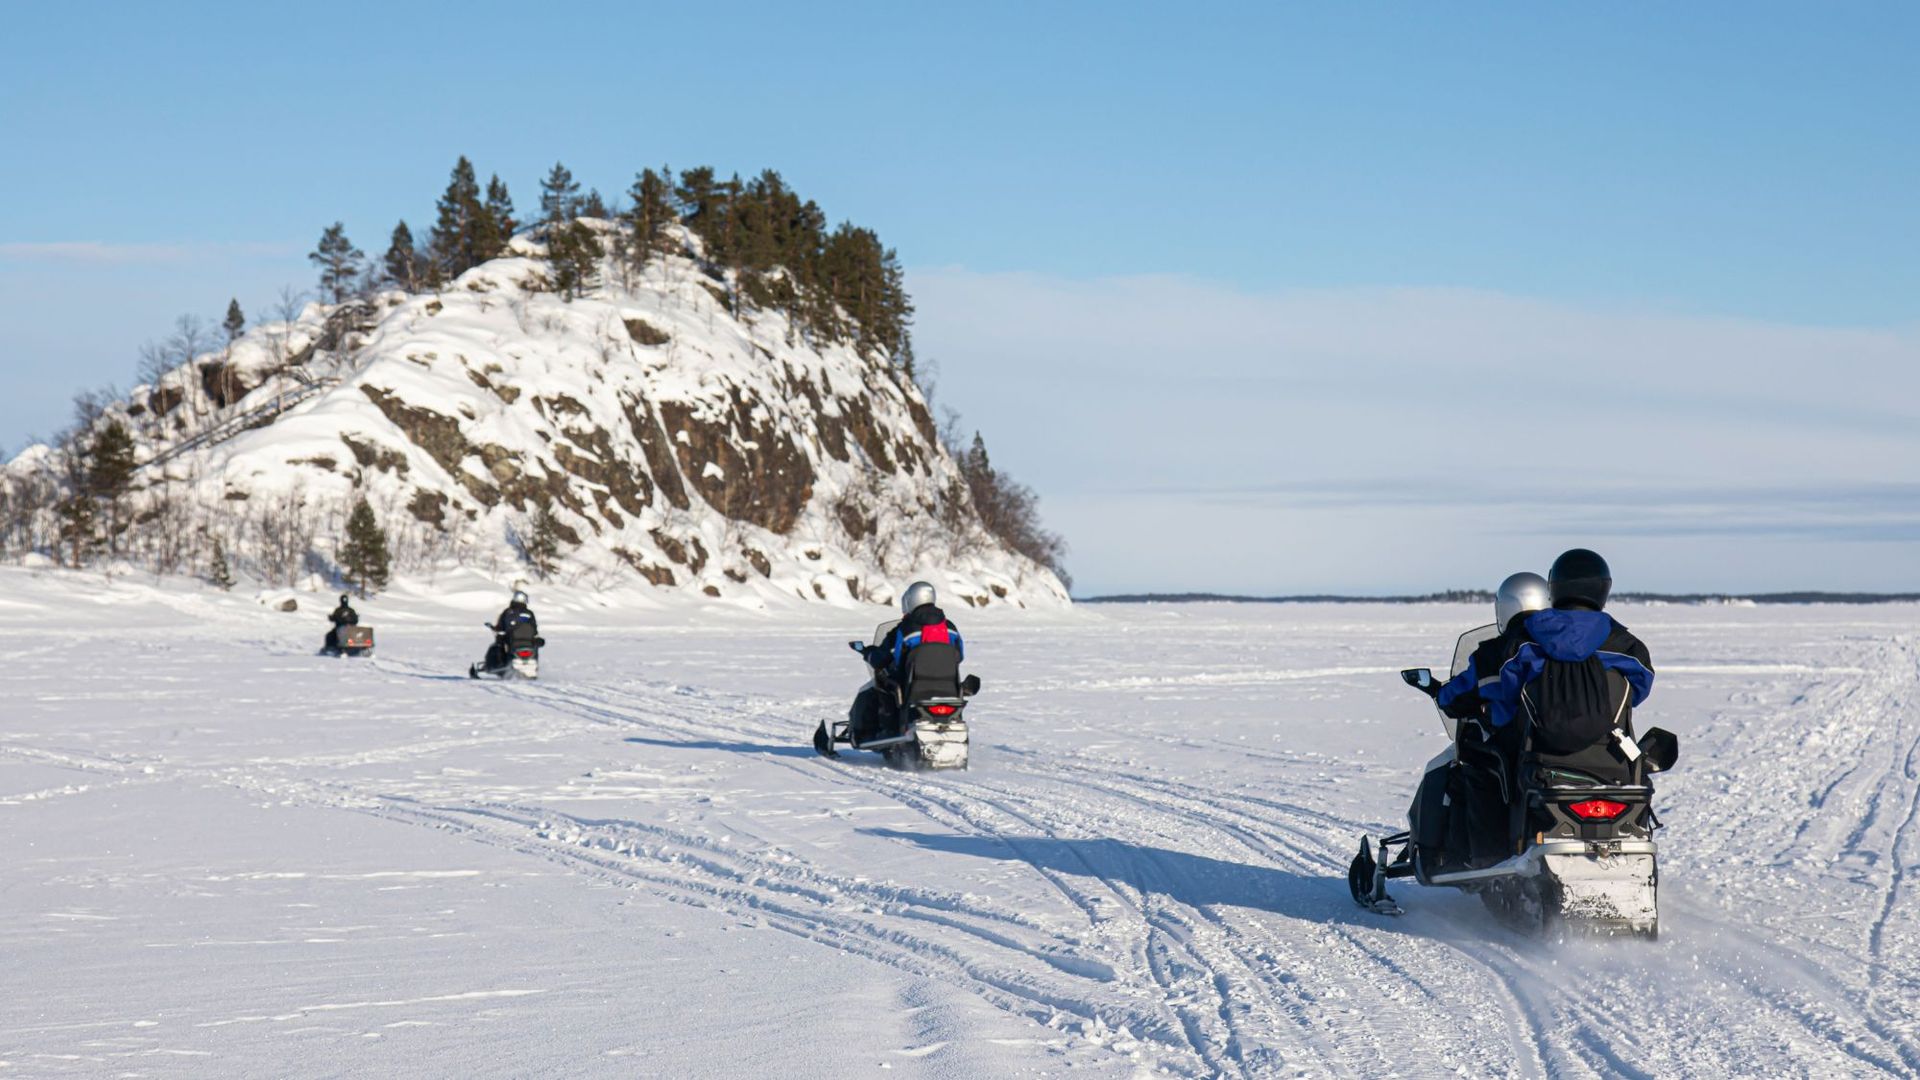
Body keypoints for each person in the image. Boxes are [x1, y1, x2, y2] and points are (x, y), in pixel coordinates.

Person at [851, 581, 964, 741]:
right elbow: (959, 655)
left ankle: (887, 731)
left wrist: (868, 653)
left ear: (910, 600)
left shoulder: (904, 629)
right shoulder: (950, 627)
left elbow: (885, 657)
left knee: (883, 684)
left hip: (912, 687)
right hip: (948, 687)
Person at [486, 589, 538, 670]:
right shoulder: (529, 613)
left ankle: (500, 665)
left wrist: (495, 629)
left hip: (512, 640)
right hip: (529, 641)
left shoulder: (508, 612)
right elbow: (534, 629)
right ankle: (534, 663)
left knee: (499, 644)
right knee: (536, 645)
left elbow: (500, 626)